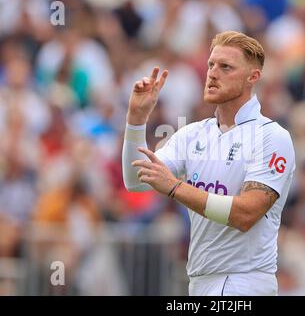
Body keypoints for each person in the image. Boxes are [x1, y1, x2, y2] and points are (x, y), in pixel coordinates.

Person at [122, 31, 295, 296]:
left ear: (253, 77)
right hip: (201, 282)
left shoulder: (272, 137)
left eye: (225, 67)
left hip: (244, 282)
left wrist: (175, 187)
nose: (213, 74)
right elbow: (135, 181)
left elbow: (245, 214)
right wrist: (136, 119)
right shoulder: (192, 134)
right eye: (211, 65)